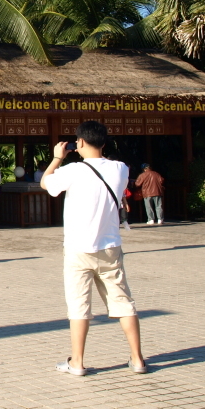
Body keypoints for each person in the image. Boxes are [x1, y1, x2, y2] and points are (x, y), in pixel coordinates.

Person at [41, 121, 147, 376]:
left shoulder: (73, 170)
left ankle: (76, 362)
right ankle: (138, 359)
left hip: (78, 248)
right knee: (123, 302)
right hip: (110, 246)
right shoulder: (120, 169)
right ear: (104, 142)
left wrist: (56, 159)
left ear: (78, 143)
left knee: (79, 306)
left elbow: (47, 184)